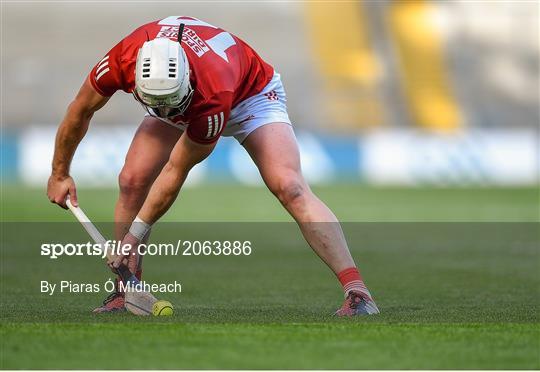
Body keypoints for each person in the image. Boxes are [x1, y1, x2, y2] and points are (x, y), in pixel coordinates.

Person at [46, 16, 379, 316]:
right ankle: (125, 291)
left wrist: (132, 237)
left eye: (169, 106)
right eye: (155, 105)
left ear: (187, 78)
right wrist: (59, 173)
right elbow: (80, 109)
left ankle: (358, 292)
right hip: (180, 97)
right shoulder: (124, 58)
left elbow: (174, 172)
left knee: (288, 185)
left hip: (250, 96)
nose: (165, 114)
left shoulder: (212, 91)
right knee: (132, 179)